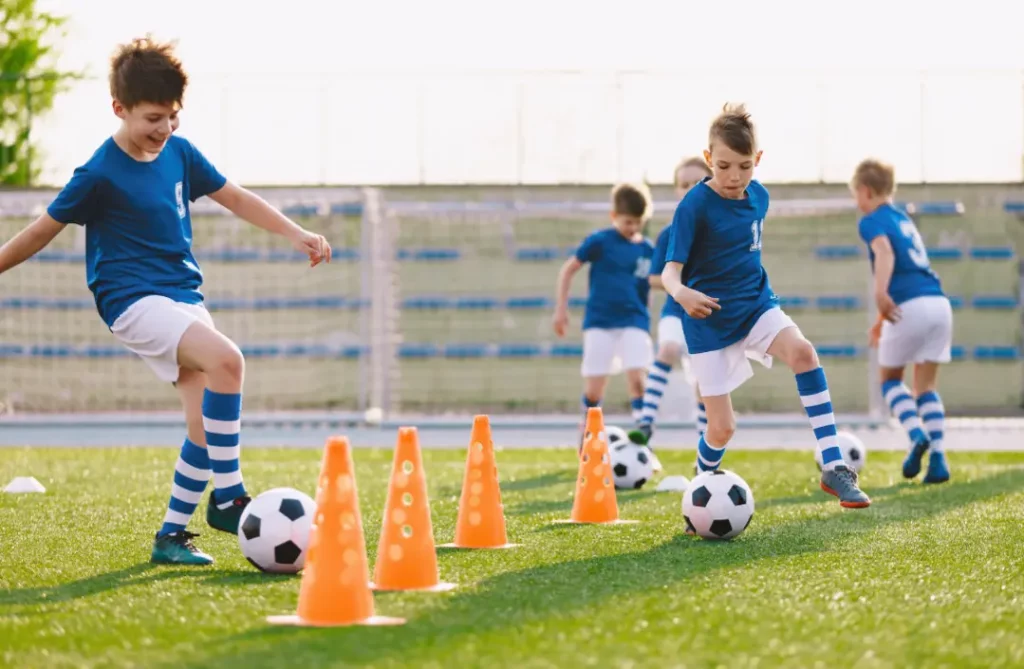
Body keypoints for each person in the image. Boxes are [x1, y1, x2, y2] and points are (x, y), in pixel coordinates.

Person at [0, 37, 333, 564]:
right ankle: (229, 497)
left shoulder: (179, 152)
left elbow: (236, 197)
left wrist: (296, 234)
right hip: (131, 301)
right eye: (154, 117)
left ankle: (170, 537)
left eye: (173, 116)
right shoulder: (97, 173)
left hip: (183, 296)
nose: (165, 128)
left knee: (204, 425)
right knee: (229, 360)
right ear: (119, 109)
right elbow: (41, 232)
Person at [660, 103, 871, 509]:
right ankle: (699, 491)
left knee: (804, 353)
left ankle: (833, 465)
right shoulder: (693, 206)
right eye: (723, 166)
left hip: (756, 305)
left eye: (744, 166)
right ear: (708, 159)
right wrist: (682, 293)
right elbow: (671, 273)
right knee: (721, 429)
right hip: (708, 322)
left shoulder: (760, 197)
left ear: (757, 161)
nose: (734, 177)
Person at [853, 158, 951, 484]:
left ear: (865, 191)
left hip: (907, 305)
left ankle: (916, 433)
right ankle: (938, 459)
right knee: (926, 387)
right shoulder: (903, 218)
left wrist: (880, 294)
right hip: (938, 304)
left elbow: (885, 253)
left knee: (891, 381)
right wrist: (883, 319)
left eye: (857, 194)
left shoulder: (871, 220)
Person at [553, 183, 655, 453]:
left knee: (637, 378)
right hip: (600, 321)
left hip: (634, 320)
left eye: (638, 222)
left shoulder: (647, 249)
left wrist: (646, 320)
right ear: (614, 217)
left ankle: (644, 442)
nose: (633, 227)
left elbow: (648, 287)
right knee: (595, 389)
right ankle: (586, 434)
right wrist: (561, 310)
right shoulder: (600, 241)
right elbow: (568, 270)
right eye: (627, 222)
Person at [629, 157, 712, 450]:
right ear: (677, 190)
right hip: (676, 312)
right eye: (683, 184)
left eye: (697, 183)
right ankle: (646, 421)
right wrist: (678, 283)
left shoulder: (719, 231)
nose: (690, 189)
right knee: (668, 349)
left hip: (707, 317)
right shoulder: (669, 233)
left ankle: (705, 447)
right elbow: (653, 278)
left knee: (704, 383)